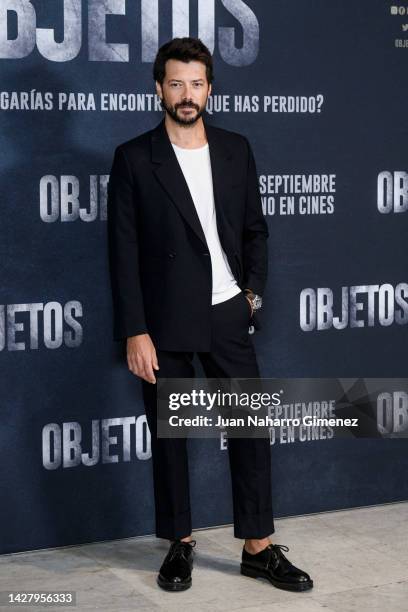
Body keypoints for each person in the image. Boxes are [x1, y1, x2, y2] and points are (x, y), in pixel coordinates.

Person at [107, 36, 313, 593]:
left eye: (196, 83)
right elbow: (121, 253)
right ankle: (179, 544)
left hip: (227, 310)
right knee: (171, 438)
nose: (186, 93)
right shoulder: (133, 158)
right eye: (176, 83)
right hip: (164, 319)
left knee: (250, 431)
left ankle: (258, 548)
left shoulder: (235, 148)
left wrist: (253, 295)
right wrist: (136, 330)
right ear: (159, 90)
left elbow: (255, 230)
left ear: (210, 89)